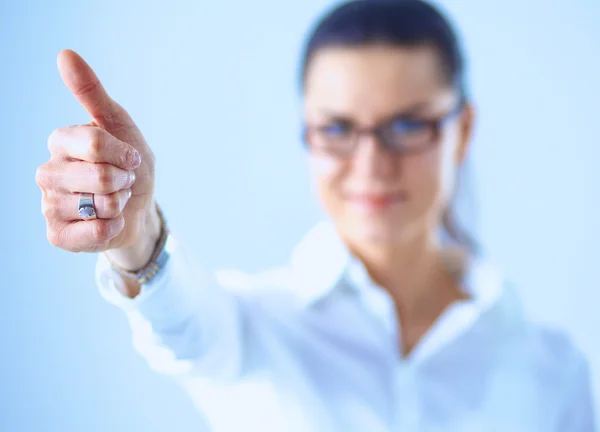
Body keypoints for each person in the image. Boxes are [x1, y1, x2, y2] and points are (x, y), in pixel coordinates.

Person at [35, 1, 595, 431]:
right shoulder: (249, 329)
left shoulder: (552, 370)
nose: (372, 165)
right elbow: (181, 326)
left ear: (463, 131)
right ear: (305, 133)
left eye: (408, 126)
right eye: (337, 129)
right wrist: (136, 237)